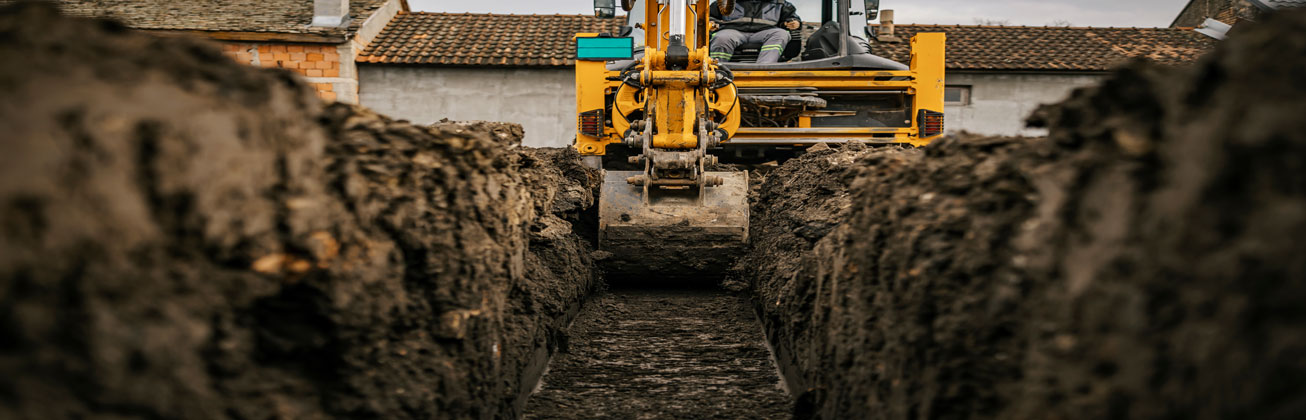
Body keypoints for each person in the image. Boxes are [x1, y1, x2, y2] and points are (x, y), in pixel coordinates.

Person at [709, 0, 801, 64]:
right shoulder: (725, 2)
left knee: (781, 34)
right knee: (721, 37)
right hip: (733, 31)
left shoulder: (781, 3)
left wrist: (794, 22)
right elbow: (709, 16)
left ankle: (765, 68)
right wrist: (711, 22)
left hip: (765, 32)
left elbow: (791, 18)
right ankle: (718, 68)